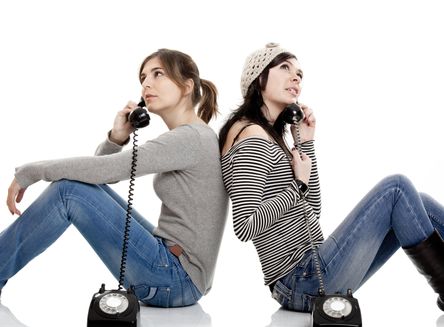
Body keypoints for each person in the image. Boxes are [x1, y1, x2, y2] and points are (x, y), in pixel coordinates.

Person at [219, 42, 444, 312]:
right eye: (285, 67)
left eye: (300, 74)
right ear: (259, 78)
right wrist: (298, 184)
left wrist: (307, 142)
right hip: (300, 281)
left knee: (416, 201)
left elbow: (312, 208)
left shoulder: (274, 137)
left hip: (314, 269)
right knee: (396, 188)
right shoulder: (251, 135)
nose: (296, 78)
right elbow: (245, 226)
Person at [0, 48, 228, 307]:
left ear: (187, 86)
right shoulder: (195, 135)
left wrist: (33, 171)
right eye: (143, 78)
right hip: (175, 271)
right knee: (73, 187)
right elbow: (99, 176)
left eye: (158, 74)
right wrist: (116, 138)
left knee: (68, 192)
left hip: (174, 278)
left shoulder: (190, 138)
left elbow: (107, 170)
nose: (146, 84)